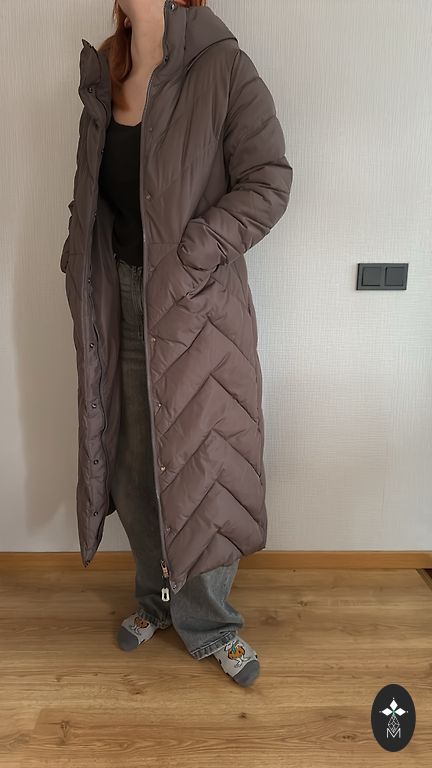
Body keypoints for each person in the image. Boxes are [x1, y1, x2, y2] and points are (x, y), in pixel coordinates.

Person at [60, 0, 293, 687]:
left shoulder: (223, 68)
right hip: (119, 300)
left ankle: (211, 622)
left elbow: (269, 182)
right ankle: (156, 600)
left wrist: (194, 252)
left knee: (204, 464)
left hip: (195, 306)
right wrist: (77, 252)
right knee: (134, 462)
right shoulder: (106, 73)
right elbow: (93, 192)